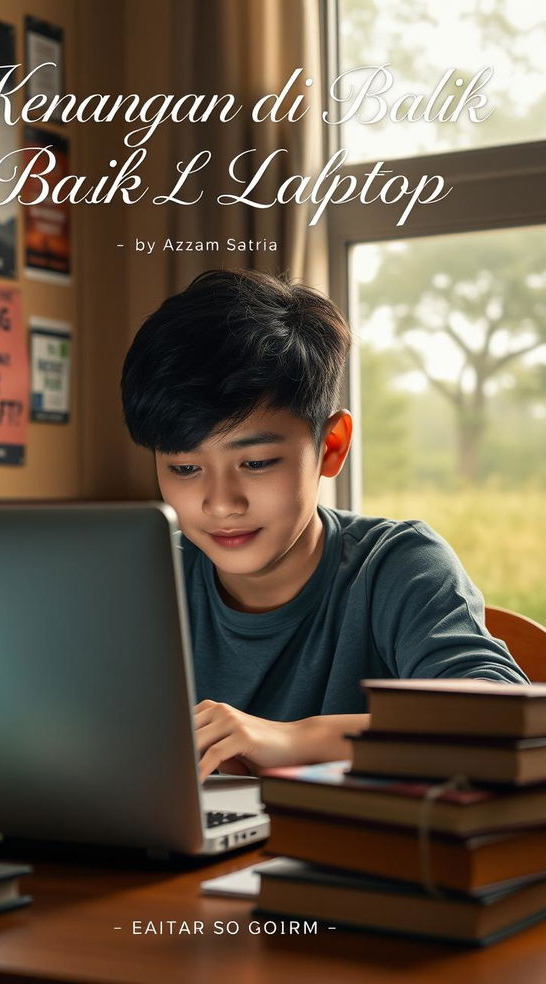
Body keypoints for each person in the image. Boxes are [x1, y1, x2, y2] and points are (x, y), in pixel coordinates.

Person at [121, 269, 527, 780]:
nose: (220, 504)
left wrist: (292, 738)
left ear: (330, 446)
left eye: (257, 462)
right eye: (184, 469)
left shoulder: (396, 565)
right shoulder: (146, 578)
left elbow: (500, 718)